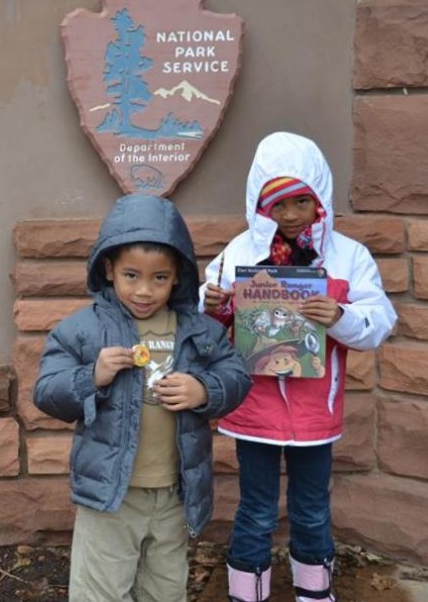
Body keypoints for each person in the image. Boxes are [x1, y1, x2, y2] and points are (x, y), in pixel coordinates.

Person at [201, 132, 397, 602]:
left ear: (319, 200)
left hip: (314, 415)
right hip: (254, 413)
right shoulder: (239, 254)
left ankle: (315, 592)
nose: (289, 215)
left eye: (301, 202)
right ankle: (246, 593)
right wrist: (215, 306)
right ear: (259, 206)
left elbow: (380, 321)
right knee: (256, 510)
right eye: (276, 205)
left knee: (311, 508)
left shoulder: (348, 256)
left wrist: (341, 316)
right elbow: (203, 321)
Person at [34, 194, 252, 602]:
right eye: (131, 275)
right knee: (100, 592)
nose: (145, 290)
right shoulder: (83, 330)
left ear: (179, 277)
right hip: (111, 498)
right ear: (108, 269)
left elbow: (237, 376)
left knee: (165, 590)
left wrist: (204, 390)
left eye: (160, 278)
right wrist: (91, 376)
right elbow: (46, 392)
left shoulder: (199, 330)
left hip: (174, 494)